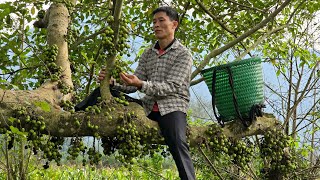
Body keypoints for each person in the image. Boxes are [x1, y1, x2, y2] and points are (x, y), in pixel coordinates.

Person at [97, 6, 196, 180]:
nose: (156, 25)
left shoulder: (183, 54)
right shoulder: (148, 54)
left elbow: (171, 87)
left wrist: (141, 84)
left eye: (161, 20)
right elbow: (133, 86)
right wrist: (113, 83)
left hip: (171, 107)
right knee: (101, 94)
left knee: (178, 143)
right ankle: (74, 111)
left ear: (174, 24)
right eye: (154, 22)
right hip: (148, 107)